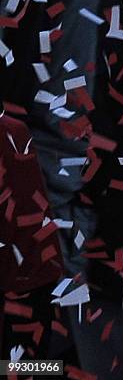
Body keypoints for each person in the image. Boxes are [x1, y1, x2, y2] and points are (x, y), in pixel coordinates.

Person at [0, 110, 63, 360]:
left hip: (25, 286)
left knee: (31, 369)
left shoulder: (11, 132)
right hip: (32, 280)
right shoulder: (13, 130)